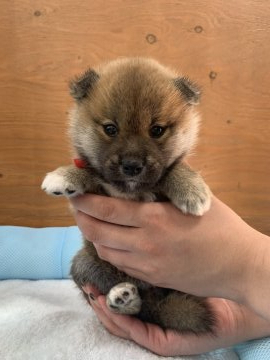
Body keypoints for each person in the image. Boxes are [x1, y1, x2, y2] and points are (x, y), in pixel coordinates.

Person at [70, 194, 270, 357]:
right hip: (148, 294)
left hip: (171, 297)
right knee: (82, 267)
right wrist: (240, 318)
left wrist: (248, 264)